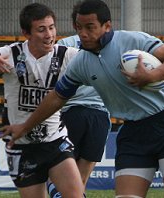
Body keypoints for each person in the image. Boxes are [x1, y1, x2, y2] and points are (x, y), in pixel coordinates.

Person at [0, 0, 164, 198]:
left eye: (90, 27)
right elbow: (56, 98)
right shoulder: (81, 63)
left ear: (107, 26)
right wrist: (25, 127)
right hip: (132, 132)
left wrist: (152, 75)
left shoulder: (133, 40)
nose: (83, 33)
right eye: (79, 27)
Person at [0, 3, 84, 198]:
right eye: (41, 29)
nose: (49, 34)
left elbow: (97, 64)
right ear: (26, 33)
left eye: (51, 27)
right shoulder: (10, 54)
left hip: (55, 141)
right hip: (22, 146)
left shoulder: (67, 55)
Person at [46, 2, 111, 198]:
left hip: (69, 112)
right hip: (100, 115)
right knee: (81, 178)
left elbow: (48, 74)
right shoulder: (110, 44)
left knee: (58, 171)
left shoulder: (63, 45)